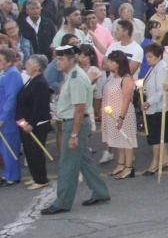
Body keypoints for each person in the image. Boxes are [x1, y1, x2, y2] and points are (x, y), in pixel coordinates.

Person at [41, 45, 111, 214]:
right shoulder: (72, 75)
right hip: (74, 122)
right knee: (84, 161)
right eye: (57, 58)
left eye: (62, 59)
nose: (58, 62)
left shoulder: (76, 78)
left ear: (72, 59)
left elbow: (79, 108)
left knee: (68, 164)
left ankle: (62, 202)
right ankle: (101, 192)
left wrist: (73, 134)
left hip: (74, 123)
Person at [16, 54, 53, 189]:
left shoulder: (40, 83)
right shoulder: (31, 80)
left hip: (36, 124)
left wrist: (31, 123)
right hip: (27, 122)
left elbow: (39, 105)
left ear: (37, 67)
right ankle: (36, 176)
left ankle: (41, 179)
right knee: (29, 151)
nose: (26, 65)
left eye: (29, 64)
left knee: (36, 151)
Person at [101, 50, 138, 179]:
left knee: (127, 140)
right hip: (112, 113)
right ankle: (121, 163)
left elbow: (127, 99)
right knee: (119, 140)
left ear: (118, 63)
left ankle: (128, 167)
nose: (108, 64)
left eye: (111, 62)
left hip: (124, 113)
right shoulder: (112, 76)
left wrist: (121, 117)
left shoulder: (126, 78)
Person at [141, 42, 168, 175]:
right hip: (158, 107)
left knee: (155, 137)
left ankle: (155, 162)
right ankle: (164, 160)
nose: (148, 59)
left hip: (158, 107)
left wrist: (148, 102)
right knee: (162, 135)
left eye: (151, 57)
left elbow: (161, 91)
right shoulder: (156, 67)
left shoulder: (162, 69)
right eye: (147, 57)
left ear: (159, 56)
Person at [0, 47, 23, 186]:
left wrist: (2, 118)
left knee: (9, 146)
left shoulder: (12, 74)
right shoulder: (5, 73)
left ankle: (13, 175)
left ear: (9, 62)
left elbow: (11, 97)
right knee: (4, 147)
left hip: (7, 117)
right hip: (4, 115)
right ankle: (8, 173)